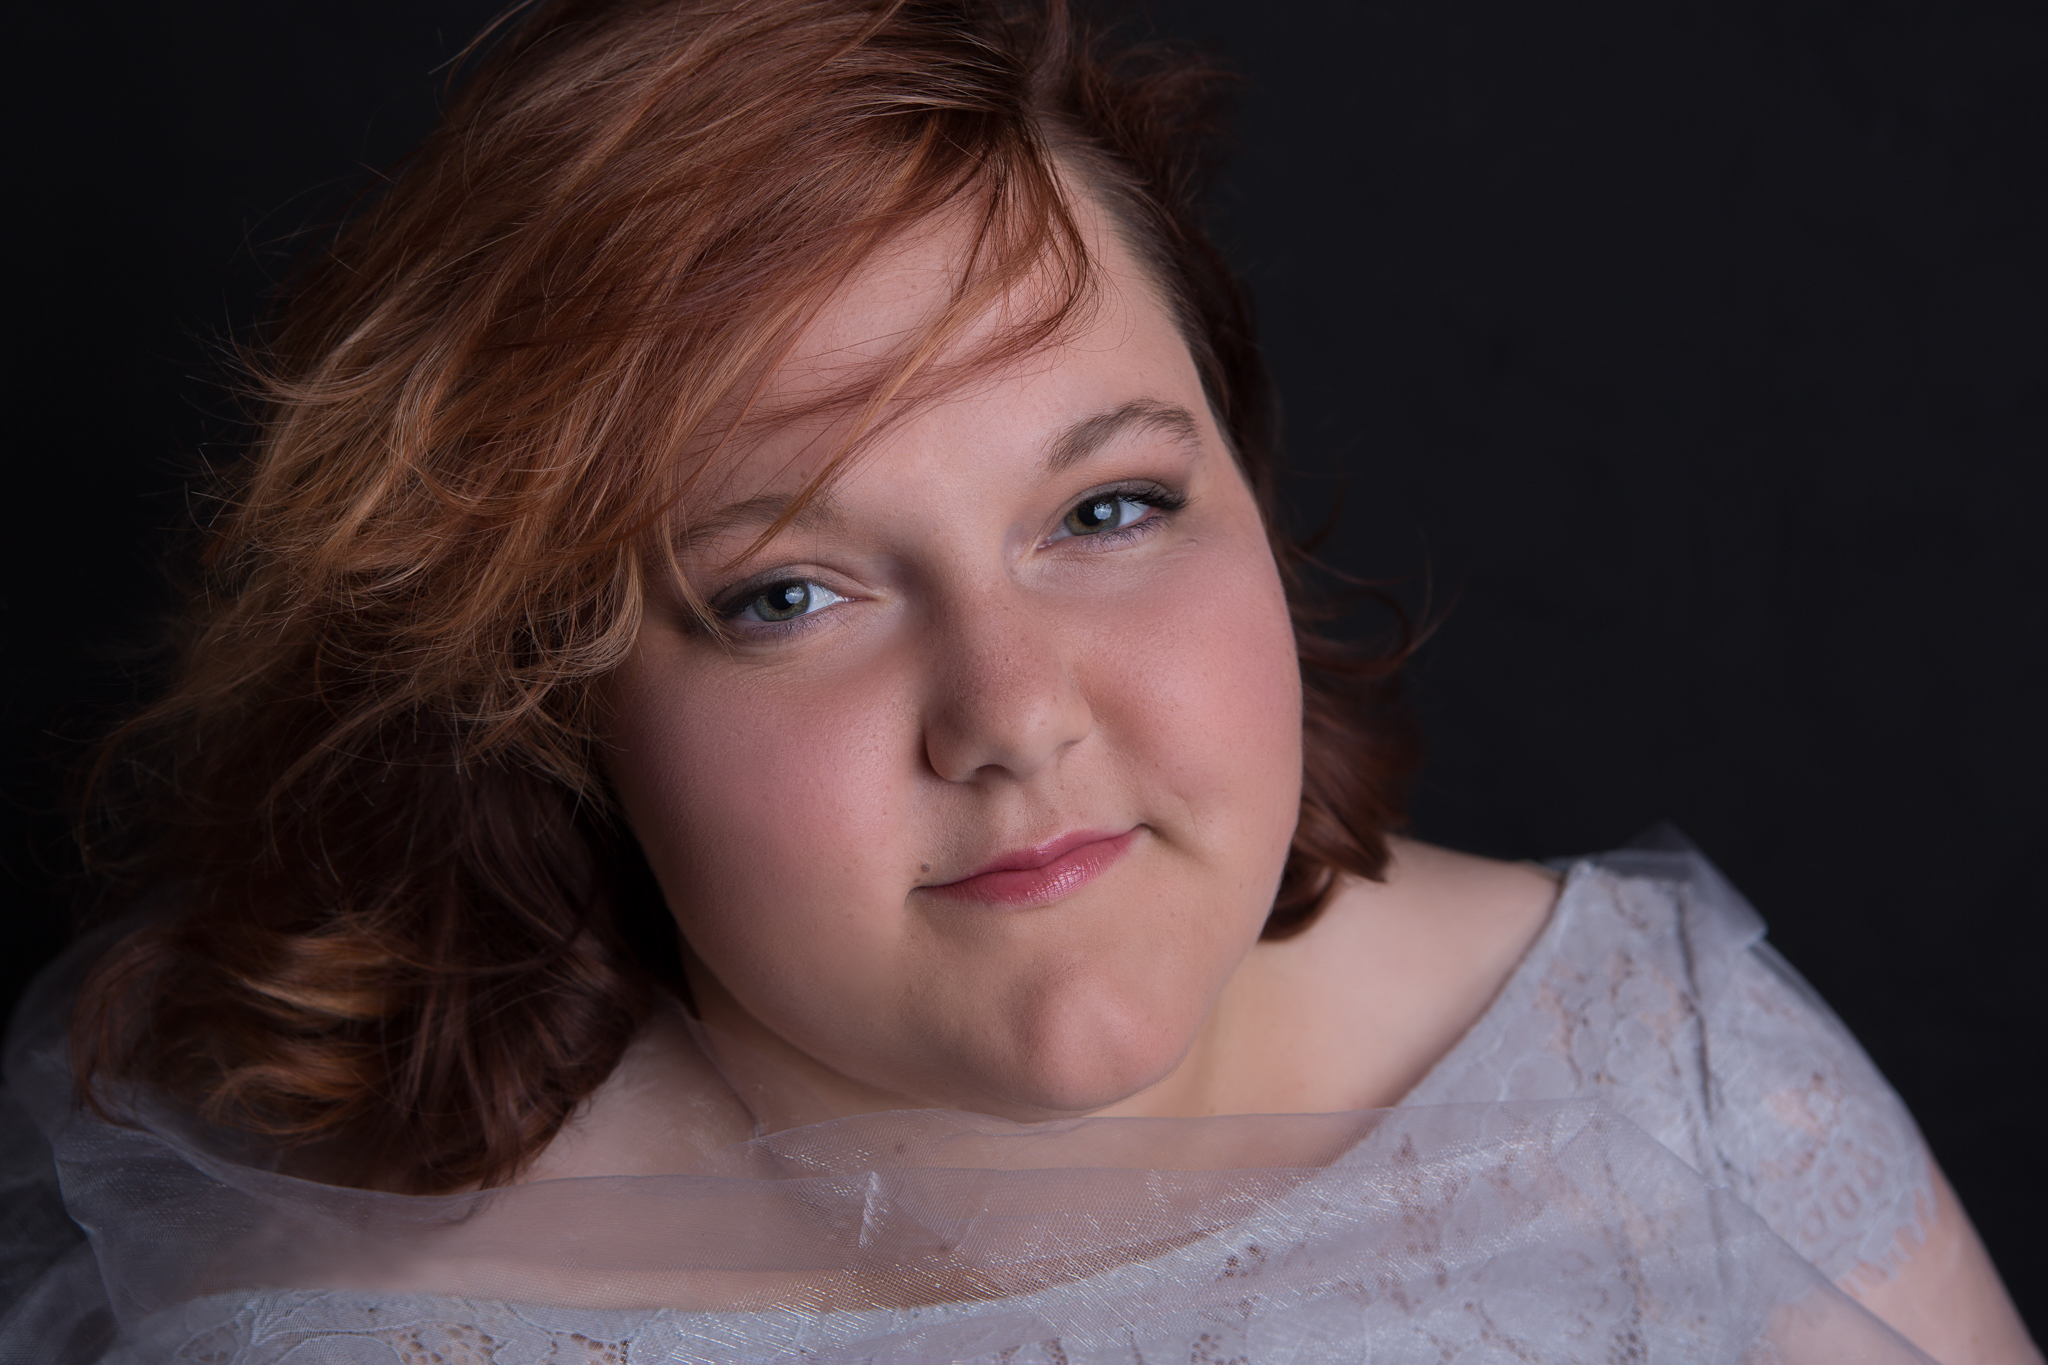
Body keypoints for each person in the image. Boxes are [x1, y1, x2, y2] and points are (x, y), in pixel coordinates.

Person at [0, 1, 2035, 1360]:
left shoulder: (1677, 1093)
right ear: (555, 704)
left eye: (1108, 507)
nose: (1013, 709)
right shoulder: (370, 1328)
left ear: (1251, 494)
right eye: (787, 592)